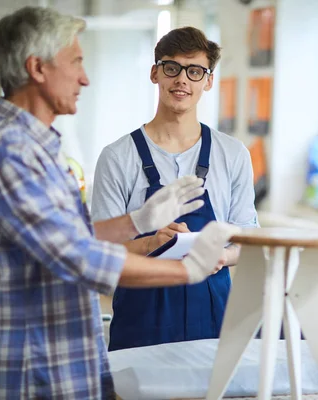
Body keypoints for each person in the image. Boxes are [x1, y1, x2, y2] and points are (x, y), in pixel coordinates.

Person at [0, 6, 239, 399]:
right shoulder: (10, 152)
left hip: (65, 359)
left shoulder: (39, 149)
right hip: (35, 365)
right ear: (37, 68)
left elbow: (68, 235)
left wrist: (136, 220)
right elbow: (78, 256)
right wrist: (187, 270)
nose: (85, 78)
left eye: (195, 71)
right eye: (76, 62)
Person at [91, 26, 258, 351]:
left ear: (208, 81)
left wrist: (218, 256)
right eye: (172, 68)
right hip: (141, 318)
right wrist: (152, 242)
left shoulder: (233, 154)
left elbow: (248, 239)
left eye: (195, 71)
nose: (182, 80)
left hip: (211, 312)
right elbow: (99, 252)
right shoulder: (117, 157)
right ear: (155, 74)